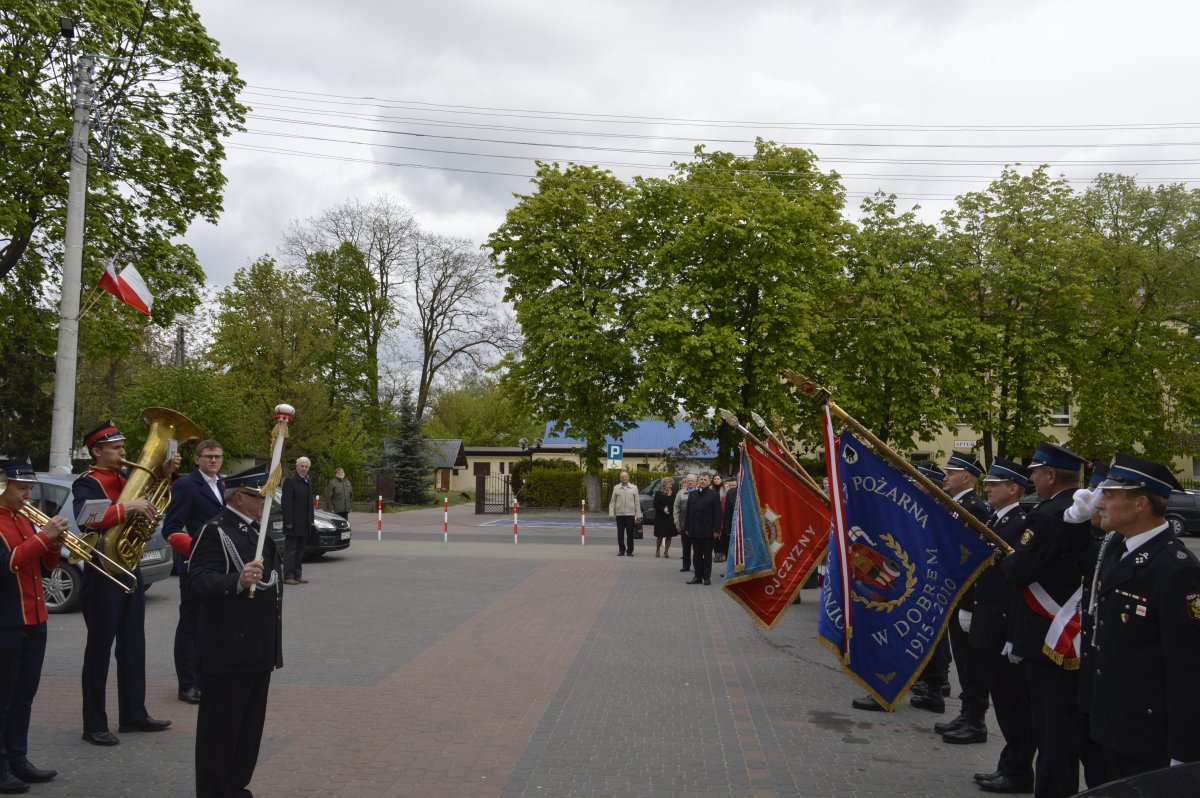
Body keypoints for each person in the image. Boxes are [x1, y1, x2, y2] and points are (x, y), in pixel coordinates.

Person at [1086, 453, 1200, 779]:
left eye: (1110, 495)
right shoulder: (1117, 549)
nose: (1100, 503)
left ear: (1140, 504)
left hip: (1146, 736)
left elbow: (1188, 668)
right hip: (1109, 720)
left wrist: (1186, 749)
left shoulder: (1176, 569)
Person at [72, 421, 177, 746]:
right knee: (99, 651)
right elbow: (85, 519)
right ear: (97, 451)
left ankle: (133, 714)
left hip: (129, 569)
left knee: (133, 646)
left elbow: (154, 500)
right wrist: (127, 507)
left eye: (122, 447)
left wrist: (165, 474)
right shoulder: (88, 482)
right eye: (116, 448)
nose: (123, 452)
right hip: (102, 573)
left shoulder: (125, 478)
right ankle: (94, 724)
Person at [999, 441, 1092, 798]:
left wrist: (1006, 558)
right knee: (1066, 729)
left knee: (1052, 732)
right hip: (1074, 634)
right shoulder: (1082, 510)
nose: (1032, 479)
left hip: (1048, 635)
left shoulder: (1047, 514)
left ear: (1051, 476)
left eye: (1036, 473)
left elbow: (1020, 569)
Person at [189, 464, 284, 798]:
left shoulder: (257, 533)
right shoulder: (215, 531)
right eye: (260, 497)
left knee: (248, 731)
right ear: (239, 497)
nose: (265, 504)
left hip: (257, 649)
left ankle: (236, 788)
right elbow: (198, 582)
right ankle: (215, 791)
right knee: (221, 733)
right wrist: (237, 581)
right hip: (227, 651)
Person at [0, 460, 69, 793]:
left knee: (24, 696)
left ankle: (18, 758)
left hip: (35, 618)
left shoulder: (24, 518)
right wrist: (44, 538)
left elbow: (45, 567)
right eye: (21, 489)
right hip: (7, 621)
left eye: (30, 489)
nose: (27, 496)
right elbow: (9, 563)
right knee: (3, 697)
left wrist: (54, 544)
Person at [968, 459, 1035, 794]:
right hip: (988, 621)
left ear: (1014, 488)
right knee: (1004, 702)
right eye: (988, 483)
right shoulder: (995, 520)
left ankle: (1018, 770)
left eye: (996, 484)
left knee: (1013, 704)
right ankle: (1009, 765)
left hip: (1002, 626)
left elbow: (1014, 582)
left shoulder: (1020, 524)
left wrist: (1012, 635)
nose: (988, 488)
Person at [931, 454, 993, 736]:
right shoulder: (956, 505)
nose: (946, 476)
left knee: (971, 662)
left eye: (951, 472)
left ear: (967, 476)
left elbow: (972, 556)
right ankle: (966, 713)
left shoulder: (974, 508)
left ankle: (975, 719)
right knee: (963, 660)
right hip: (955, 591)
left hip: (967, 594)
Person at [161, 439, 226, 706]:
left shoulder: (223, 484)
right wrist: (198, 551)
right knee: (190, 626)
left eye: (217, 456)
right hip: (195, 566)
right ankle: (187, 684)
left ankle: (205, 677)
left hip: (220, 567)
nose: (214, 460)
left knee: (211, 625)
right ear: (197, 459)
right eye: (208, 456)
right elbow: (171, 528)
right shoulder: (186, 485)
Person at [281, 457, 314, 585]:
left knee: (300, 551)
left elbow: (309, 503)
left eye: (306, 466)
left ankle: (297, 575)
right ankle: (288, 576)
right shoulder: (290, 481)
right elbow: (286, 503)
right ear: (297, 466)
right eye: (302, 466)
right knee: (291, 551)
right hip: (293, 523)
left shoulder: (308, 480)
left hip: (304, 523)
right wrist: (288, 521)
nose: (304, 468)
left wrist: (311, 520)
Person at [686, 473, 721, 586]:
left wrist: (716, 530)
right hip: (694, 530)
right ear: (698, 481)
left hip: (708, 531)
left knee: (707, 556)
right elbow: (688, 512)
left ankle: (706, 577)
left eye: (705, 479)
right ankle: (697, 576)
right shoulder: (692, 494)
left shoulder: (714, 495)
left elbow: (717, 513)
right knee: (696, 555)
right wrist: (686, 527)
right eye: (701, 479)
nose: (702, 481)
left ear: (709, 482)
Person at [608, 471, 641, 557]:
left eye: (625, 477)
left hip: (630, 515)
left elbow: (637, 502)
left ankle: (630, 551)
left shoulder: (634, 488)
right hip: (620, 515)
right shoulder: (616, 488)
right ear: (620, 478)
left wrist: (638, 515)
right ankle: (621, 550)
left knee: (630, 534)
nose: (624, 478)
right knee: (620, 534)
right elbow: (612, 502)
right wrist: (611, 513)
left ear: (628, 478)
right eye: (622, 477)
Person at [674, 474, 697, 572]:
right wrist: (677, 523)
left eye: (692, 481)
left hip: (697, 526)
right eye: (688, 481)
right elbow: (676, 509)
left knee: (697, 548)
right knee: (686, 547)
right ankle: (686, 565)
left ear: (696, 482)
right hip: (684, 525)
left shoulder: (699, 492)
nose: (690, 482)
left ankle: (697, 566)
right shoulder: (680, 493)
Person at [652, 478, 676, 558]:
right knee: (660, 535)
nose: (670, 486)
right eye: (669, 484)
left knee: (669, 535)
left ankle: (666, 551)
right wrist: (663, 509)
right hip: (660, 516)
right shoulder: (658, 493)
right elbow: (655, 504)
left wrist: (668, 509)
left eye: (671, 484)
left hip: (670, 516)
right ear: (664, 484)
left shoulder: (673, 494)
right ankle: (657, 550)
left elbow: (675, 504)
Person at [718, 473, 738, 566]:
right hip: (730, 528)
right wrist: (726, 530)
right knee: (730, 550)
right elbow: (726, 514)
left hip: (744, 528)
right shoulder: (730, 494)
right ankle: (729, 568)